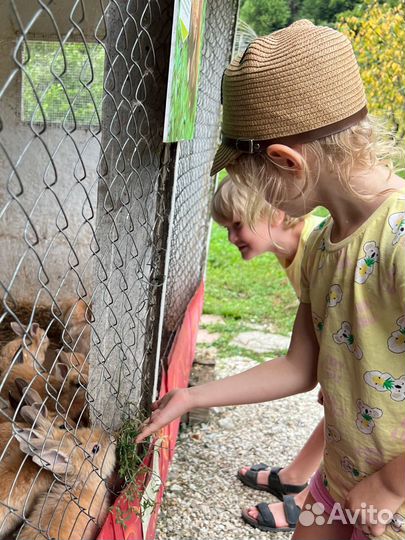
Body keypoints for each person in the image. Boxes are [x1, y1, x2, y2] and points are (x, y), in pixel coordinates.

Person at [137, 20, 405, 540]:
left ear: (287, 161)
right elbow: (298, 367)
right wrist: (192, 397)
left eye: (252, 180)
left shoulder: (399, 237)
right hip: (338, 482)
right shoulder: (325, 244)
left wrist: (394, 484)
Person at [211, 176, 325, 533]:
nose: (230, 237)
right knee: (339, 412)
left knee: (350, 419)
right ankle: (294, 477)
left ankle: (311, 502)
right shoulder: (292, 249)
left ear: (276, 212)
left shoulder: (316, 246)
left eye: (237, 225)